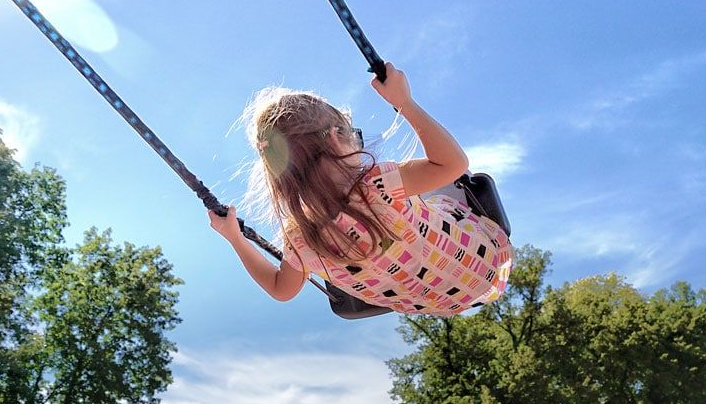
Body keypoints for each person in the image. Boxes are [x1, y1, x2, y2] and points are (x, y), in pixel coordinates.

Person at [209, 63, 514, 316]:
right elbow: (454, 164)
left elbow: (281, 289)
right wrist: (404, 102)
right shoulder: (378, 184)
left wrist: (235, 238)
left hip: (443, 303)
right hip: (488, 261)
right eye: (354, 135)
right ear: (334, 137)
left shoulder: (299, 240)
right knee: (443, 178)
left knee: (405, 212)